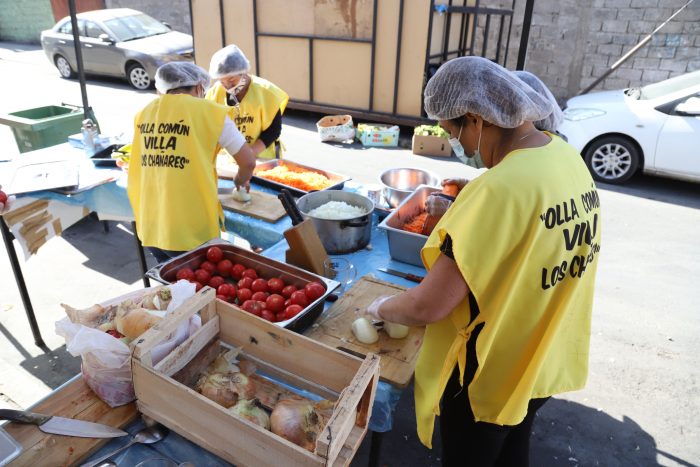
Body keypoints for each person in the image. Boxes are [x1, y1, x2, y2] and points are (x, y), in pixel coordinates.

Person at [366, 56, 602, 466]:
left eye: (451, 132)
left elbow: (429, 305)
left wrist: (381, 307)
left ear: (476, 119)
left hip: (492, 368)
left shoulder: (498, 189)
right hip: (543, 353)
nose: (454, 145)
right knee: (512, 450)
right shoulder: (567, 159)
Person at [127, 62, 257, 263]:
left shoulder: (144, 113)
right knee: (199, 292)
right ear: (199, 87)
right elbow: (247, 162)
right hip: (190, 235)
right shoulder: (209, 111)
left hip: (151, 226)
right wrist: (240, 181)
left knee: (172, 289)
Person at [428, 69, 566, 217]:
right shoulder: (563, 153)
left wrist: (452, 212)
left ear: (475, 120)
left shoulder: (511, 181)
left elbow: (500, 214)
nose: (452, 141)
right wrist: (475, 188)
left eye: (450, 132)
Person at [206, 44, 289, 160]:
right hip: (228, 158)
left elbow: (273, 130)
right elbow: (210, 127)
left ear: (243, 72)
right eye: (222, 82)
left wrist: (249, 153)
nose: (228, 87)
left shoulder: (267, 92)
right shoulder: (214, 93)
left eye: (232, 80)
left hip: (262, 156)